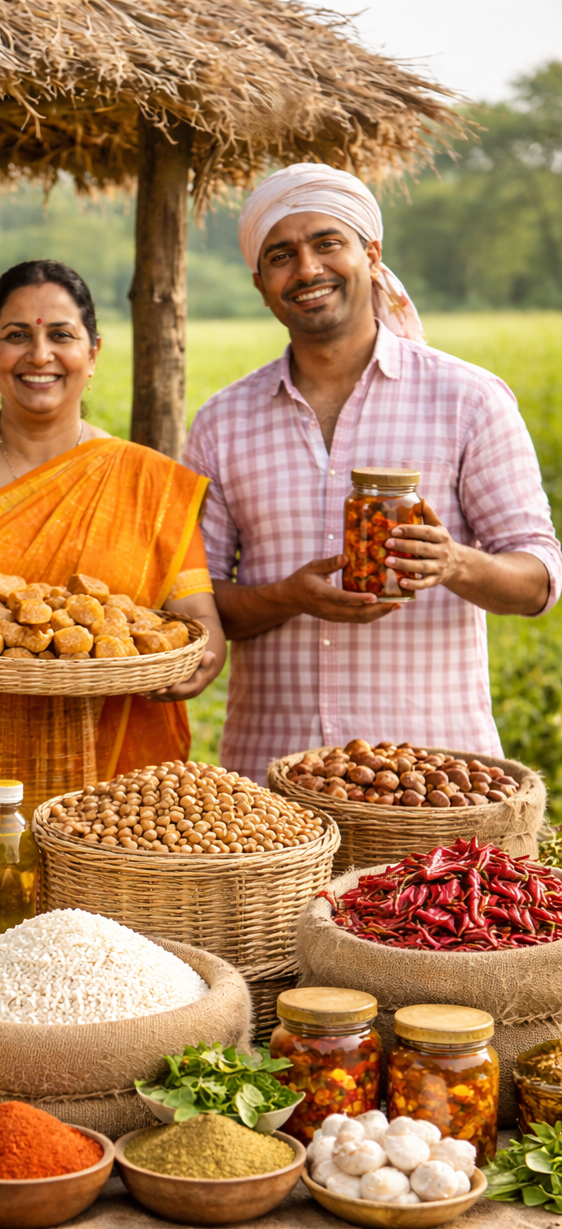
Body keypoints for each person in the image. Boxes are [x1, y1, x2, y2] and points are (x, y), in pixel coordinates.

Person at [184, 163, 562, 785]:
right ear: (260, 283)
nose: (307, 270)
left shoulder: (467, 399)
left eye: (327, 243)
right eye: (282, 255)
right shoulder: (224, 421)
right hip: (273, 784)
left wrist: (453, 563)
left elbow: (539, 579)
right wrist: (288, 596)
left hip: (433, 779)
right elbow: (198, 602)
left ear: (371, 253)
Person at [0, 259, 225, 831]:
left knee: (112, 918)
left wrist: (197, 664)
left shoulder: (147, 480)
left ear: (94, 353)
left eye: (61, 335)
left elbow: (197, 622)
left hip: (123, 777)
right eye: (16, 336)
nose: (38, 355)